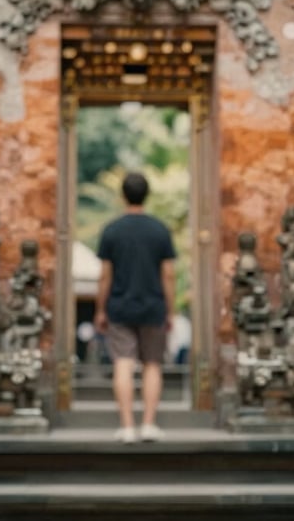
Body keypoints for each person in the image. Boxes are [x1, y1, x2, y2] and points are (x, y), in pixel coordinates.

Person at [94, 171, 176, 443]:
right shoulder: (159, 230)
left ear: (122, 196)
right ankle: (149, 424)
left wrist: (100, 309)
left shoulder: (112, 230)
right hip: (153, 305)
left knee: (123, 363)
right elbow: (169, 275)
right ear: (147, 195)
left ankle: (128, 426)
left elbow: (105, 275)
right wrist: (171, 310)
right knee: (152, 364)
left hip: (119, 305)